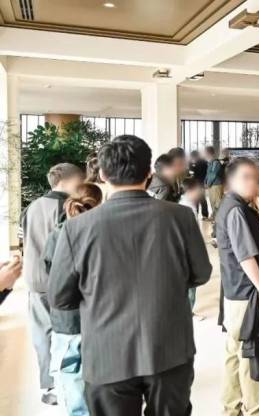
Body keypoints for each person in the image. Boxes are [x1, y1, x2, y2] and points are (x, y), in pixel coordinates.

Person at [48, 135, 212, 415]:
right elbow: (201, 274)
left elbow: (60, 297)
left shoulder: (76, 228)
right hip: (169, 348)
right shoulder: (181, 217)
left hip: (107, 354)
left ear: (102, 174)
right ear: (149, 172)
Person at [216, 157, 259, 416]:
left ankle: (232, 408)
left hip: (236, 294)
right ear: (232, 180)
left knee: (235, 353)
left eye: (254, 176)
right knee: (255, 355)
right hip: (247, 295)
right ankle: (255, 410)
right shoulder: (237, 210)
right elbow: (245, 255)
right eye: (246, 177)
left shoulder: (233, 205)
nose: (253, 182)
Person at [21, 162, 84, 406]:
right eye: (80, 181)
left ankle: (49, 385)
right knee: (64, 334)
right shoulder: (67, 206)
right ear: (68, 181)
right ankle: (64, 383)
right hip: (57, 280)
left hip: (33, 278)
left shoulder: (32, 206)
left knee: (41, 333)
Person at [44, 182, 103, 416]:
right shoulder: (102, 233)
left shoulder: (59, 233)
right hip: (99, 316)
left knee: (70, 378)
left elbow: (52, 276)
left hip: (67, 321)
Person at [180, 177, 206, 311]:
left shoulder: (184, 203)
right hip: (187, 250)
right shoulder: (187, 207)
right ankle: (188, 311)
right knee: (190, 284)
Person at [205, 146, 226, 219]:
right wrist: (205, 182)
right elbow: (208, 174)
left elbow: (213, 174)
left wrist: (208, 183)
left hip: (216, 185)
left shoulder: (215, 163)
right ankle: (214, 217)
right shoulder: (210, 163)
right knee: (212, 202)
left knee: (217, 202)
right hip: (212, 185)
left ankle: (219, 218)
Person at [189, 150, 209, 219]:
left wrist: (190, 165)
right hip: (202, 183)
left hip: (198, 183)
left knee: (199, 199)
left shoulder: (199, 162)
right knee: (202, 200)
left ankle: (196, 214)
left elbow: (196, 171)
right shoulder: (203, 161)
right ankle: (204, 215)